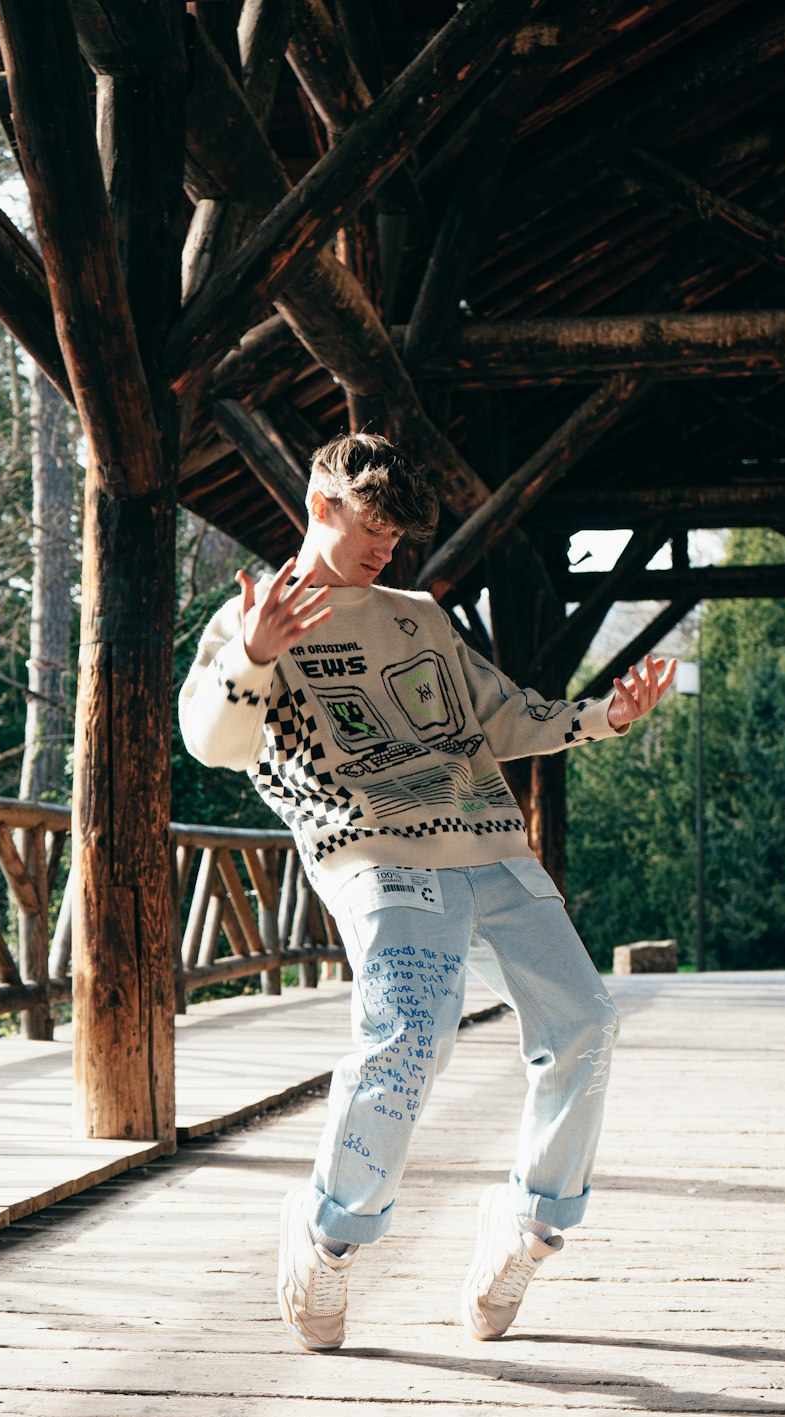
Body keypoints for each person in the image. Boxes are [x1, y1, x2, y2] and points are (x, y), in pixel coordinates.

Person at [179, 432, 675, 1353]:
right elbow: (212, 740)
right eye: (374, 527)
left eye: (399, 535)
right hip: (374, 853)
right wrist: (250, 654)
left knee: (587, 1025)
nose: (386, 549)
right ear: (319, 507)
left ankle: (527, 1229)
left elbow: (501, 715)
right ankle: (329, 1238)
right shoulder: (258, 617)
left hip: (490, 846)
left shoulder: (418, 616)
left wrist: (602, 718)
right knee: (408, 1036)